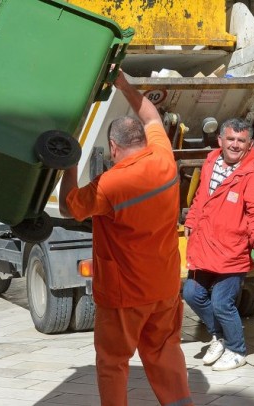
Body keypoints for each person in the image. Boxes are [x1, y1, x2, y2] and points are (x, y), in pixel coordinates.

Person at [58, 71, 192, 406]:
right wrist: (123, 84)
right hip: (163, 286)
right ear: (144, 142)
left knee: (113, 362)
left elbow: (66, 207)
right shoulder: (164, 159)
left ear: (114, 147)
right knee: (164, 351)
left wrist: (70, 162)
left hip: (125, 294)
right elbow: (151, 115)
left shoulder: (110, 185)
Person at [182, 118, 254, 371]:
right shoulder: (212, 160)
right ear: (220, 140)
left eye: (241, 140)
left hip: (232, 251)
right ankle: (220, 336)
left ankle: (236, 349)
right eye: (231, 139)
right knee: (191, 293)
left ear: (250, 144)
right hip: (204, 246)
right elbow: (201, 196)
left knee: (222, 302)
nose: (235, 145)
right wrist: (191, 219)